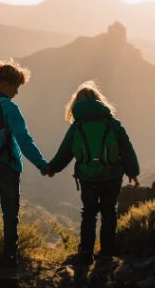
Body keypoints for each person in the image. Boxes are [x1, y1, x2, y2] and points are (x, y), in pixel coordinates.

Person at [46, 81, 139, 267]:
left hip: (87, 177)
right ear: (99, 100)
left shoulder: (77, 127)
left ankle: (86, 254)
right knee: (109, 212)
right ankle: (107, 254)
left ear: (76, 104)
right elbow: (126, 148)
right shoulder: (112, 123)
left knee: (89, 214)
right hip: (112, 175)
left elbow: (65, 152)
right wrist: (132, 172)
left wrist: (52, 168)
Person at [0, 59, 49, 267]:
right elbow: (24, 140)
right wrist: (41, 163)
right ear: (5, 84)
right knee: (10, 211)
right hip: (7, 165)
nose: (16, 92)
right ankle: (11, 253)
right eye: (15, 87)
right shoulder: (10, 108)